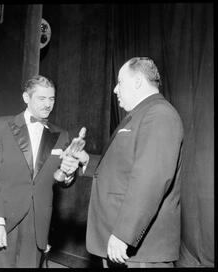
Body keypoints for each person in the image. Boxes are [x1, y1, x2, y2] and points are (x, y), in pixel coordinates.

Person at [0, 75, 89, 268]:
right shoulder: (1, 126)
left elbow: (58, 179)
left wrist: (69, 173)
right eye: (42, 98)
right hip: (4, 221)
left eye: (52, 99)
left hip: (37, 227)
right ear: (26, 97)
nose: (48, 104)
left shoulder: (61, 135)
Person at [86, 57, 184, 268]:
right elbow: (124, 169)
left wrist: (124, 235)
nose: (114, 90)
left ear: (138, 81)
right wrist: (85, 162)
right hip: (125, 250)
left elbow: (150, 180)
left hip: (139, 253)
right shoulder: (141, 115)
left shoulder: (159, 114)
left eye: (120, 82)